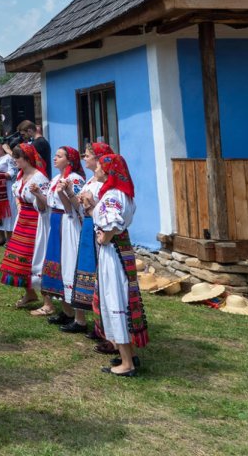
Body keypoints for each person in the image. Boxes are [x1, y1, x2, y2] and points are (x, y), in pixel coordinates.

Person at [93, 153, 149, 376]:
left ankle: (127, 364)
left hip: (112, 251)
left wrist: (103, 238)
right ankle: (130, 354)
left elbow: (113, 223)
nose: (96, 170)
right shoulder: (124, 194)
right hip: (121, 249)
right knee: (122, 297)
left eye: (98, 167)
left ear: (107, 171)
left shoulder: (112, 196)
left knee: (115, 298)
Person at [59, 143, 110, 336]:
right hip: (88, 227)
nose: (84, 158)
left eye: (88, 155)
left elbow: (104, 210)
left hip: (97, 228)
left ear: (98, 159)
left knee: (98, 275)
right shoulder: (90, 181)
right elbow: (79, 208)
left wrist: (90, 203)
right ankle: (83, 320)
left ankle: (103, 326)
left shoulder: (105, 183)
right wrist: (70, 193)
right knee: (85, 271)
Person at [0, 144, 50, 310]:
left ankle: (48, 302)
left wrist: (36, 195)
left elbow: (47, 202)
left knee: (37, 257)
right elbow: (18, 196)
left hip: (36, 221)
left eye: (17, 158)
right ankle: (30, 293)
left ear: (27, 159)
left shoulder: (39, 177)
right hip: (23, 220)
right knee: (22, 258)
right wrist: (19, 206)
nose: (15, 161)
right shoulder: (21, 176)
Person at [42, 147, 87, 328]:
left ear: (69, 161)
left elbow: (76, 208)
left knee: (69, 264)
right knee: (57, 264)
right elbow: (50, 201)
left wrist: (63, 192)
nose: (54, 158)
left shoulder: (75, 179)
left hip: (68, 223)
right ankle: (66, 311)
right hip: (56, 221)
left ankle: (79, 317)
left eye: (59, 156)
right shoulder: (56, 178)